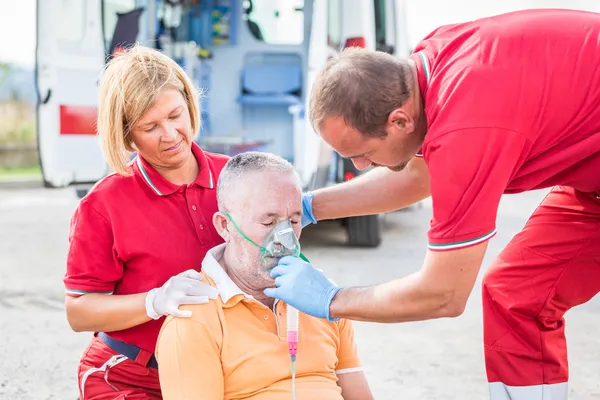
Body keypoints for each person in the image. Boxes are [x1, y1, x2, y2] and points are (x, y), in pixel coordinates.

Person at [264, 8, 600, 400]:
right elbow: (417, 174)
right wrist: (306, 208)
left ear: (399, 121)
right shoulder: (424, 71)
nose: (360, 167)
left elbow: (443, 293)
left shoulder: (467, 127)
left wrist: (330, 299)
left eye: (365, 154)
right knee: (517, 293)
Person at [63, 44, 229, 399]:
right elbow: (79, 311)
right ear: (126, 135)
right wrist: (153, 301)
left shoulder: (235, 176)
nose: (169, 135)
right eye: (150, 126)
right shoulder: (103, 204)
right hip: (129, 376)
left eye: (175, 115)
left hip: (220, 370)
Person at [155, 152, 373, 400]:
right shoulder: (194, 320)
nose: (285, 239)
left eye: (292, 220)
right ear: (225, 226)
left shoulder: (322, 298)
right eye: (269, 223)